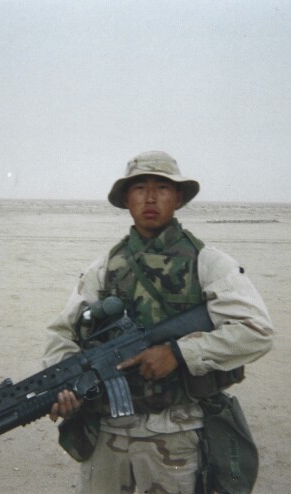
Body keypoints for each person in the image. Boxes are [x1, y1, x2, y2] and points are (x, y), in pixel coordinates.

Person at [44, 151, 274, 493]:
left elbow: (256, 331)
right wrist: (66, 384)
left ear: (178, 197)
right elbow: (64, 332)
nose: (150, 197)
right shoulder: (104, 268)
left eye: (162, 187)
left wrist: (179, 353)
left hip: (176, 432)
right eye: (139, 188)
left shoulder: (208, 263)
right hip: (107, 435)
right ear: (126, 198)